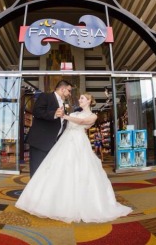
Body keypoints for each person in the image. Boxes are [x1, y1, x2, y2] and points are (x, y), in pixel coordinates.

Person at [16, 93, 132, 223]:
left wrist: (65, 115)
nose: (79, 99)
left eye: (82, 98)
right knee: (58, 169)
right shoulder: (74, 113)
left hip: (79, 141)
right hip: (64, 141)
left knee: (80, 169)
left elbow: (83, 122)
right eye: (80, 97)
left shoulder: (93, 116)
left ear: (89, 101)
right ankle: (52, 201)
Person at [26, 80, 72, 177]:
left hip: (53, 144)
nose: (70, 94)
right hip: (40, 142)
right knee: (37, 171)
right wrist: (54, 114)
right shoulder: (45, 96)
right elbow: (37, 111)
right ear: (62, 89)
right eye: (69, 90)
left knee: (47, 172)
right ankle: (35, 192)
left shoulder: (63, 104)